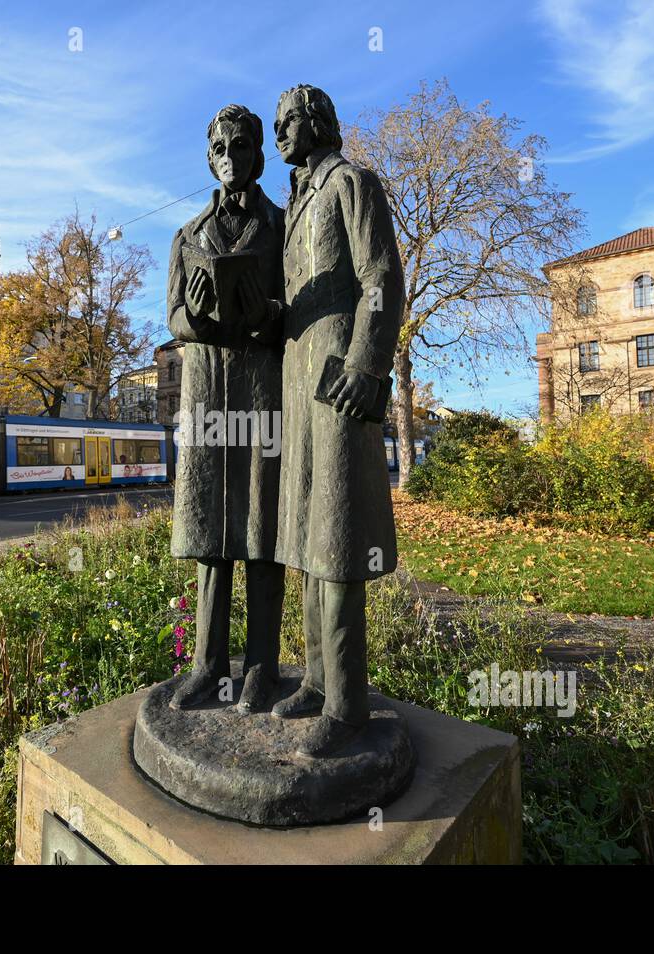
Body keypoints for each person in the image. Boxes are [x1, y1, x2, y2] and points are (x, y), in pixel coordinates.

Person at [270, 84, 405, 758]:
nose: (277, 134)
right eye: (274, 124)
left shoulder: (351, 183)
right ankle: (318, 682)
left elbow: (381, 274)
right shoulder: (295, 204)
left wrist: (366, 365)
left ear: (316, 121)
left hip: (339, 384)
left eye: (285, 121)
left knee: (339, 538)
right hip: (299, 386)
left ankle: (349, 705)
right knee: (304, 534)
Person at [166, 103, 286, 714]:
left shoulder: (283, 226)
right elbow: (172, 319)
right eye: (221, 148)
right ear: (209, 158)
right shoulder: (185, 237)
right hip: (207, 391)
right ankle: (208, 666)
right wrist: (194, 311)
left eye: (242, 147)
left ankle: (262, 669)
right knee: (210, 531)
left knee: (262, 530)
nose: (232, 158)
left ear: (259, 155)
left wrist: (265, 310)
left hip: (263, 388)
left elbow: (296, 311)